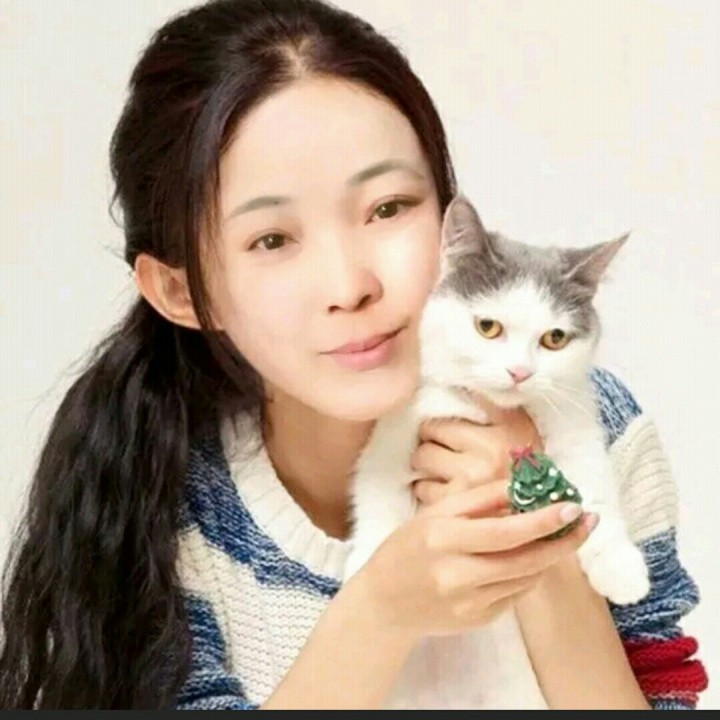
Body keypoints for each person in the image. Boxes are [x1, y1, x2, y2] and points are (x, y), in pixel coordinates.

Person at [0, 0, 707, 710]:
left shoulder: (594, 422)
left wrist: (537, 531)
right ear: (182, 292)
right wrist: (379, 611)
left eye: (388, 208)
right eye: (273, 240)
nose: (350, 287)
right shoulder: (172, 508)